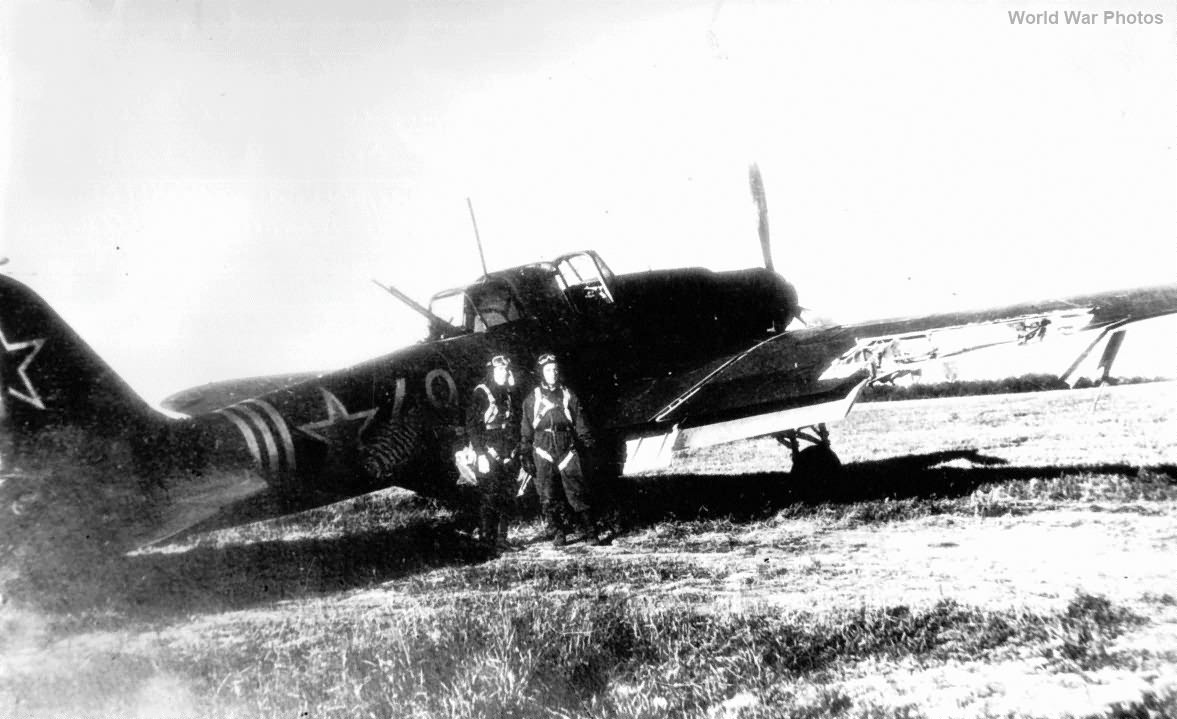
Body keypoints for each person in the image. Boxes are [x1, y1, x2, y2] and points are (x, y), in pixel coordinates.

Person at [520, 353, 601, 547]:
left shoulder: (568, 394)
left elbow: (580, 422)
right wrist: (525, 452)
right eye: (548, 370)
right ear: (541, 373)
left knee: (577, 489)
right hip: (542, 446)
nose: (553, 373)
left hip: (566, 445)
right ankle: (558, 532)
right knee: (547, 494)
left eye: (555, 369)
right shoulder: (532, 398)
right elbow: (526, 427)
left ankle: (591, 532)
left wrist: (588, 444)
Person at [465, 354, 520, 553]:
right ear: (492, 371)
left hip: (507, 451)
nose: (503, 373)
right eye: (499, 370)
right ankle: (486, 541)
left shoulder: (508, 392)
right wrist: (480, 454)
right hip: (488, 451)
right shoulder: (481, 393)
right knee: (489, 497)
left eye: (506, 370)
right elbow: (472, 426)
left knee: (507, 496)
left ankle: (501, 539)